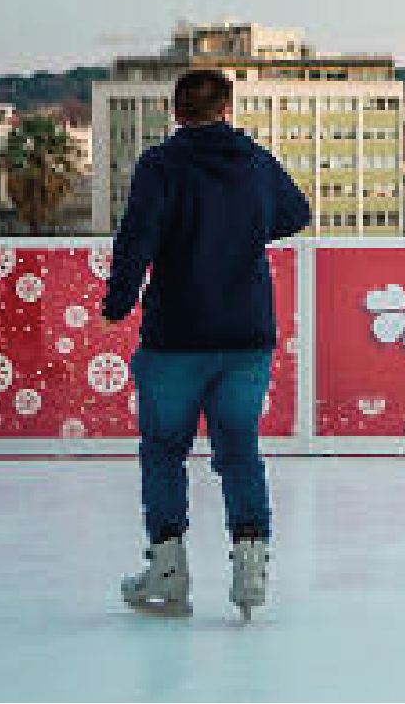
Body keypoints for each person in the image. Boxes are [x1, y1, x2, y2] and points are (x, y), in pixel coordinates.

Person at [99, 67, 311, 620]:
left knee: (165, 450)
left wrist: (118, 302)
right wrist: (238, 229)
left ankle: (168, 571)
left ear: (176, 112)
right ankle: (250, 564)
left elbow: (136, 239)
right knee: (239, 448)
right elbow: (297, 212)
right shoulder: (255, 162)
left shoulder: (160, 165)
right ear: (227, 109)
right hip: (246, 333)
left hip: (176, 335)